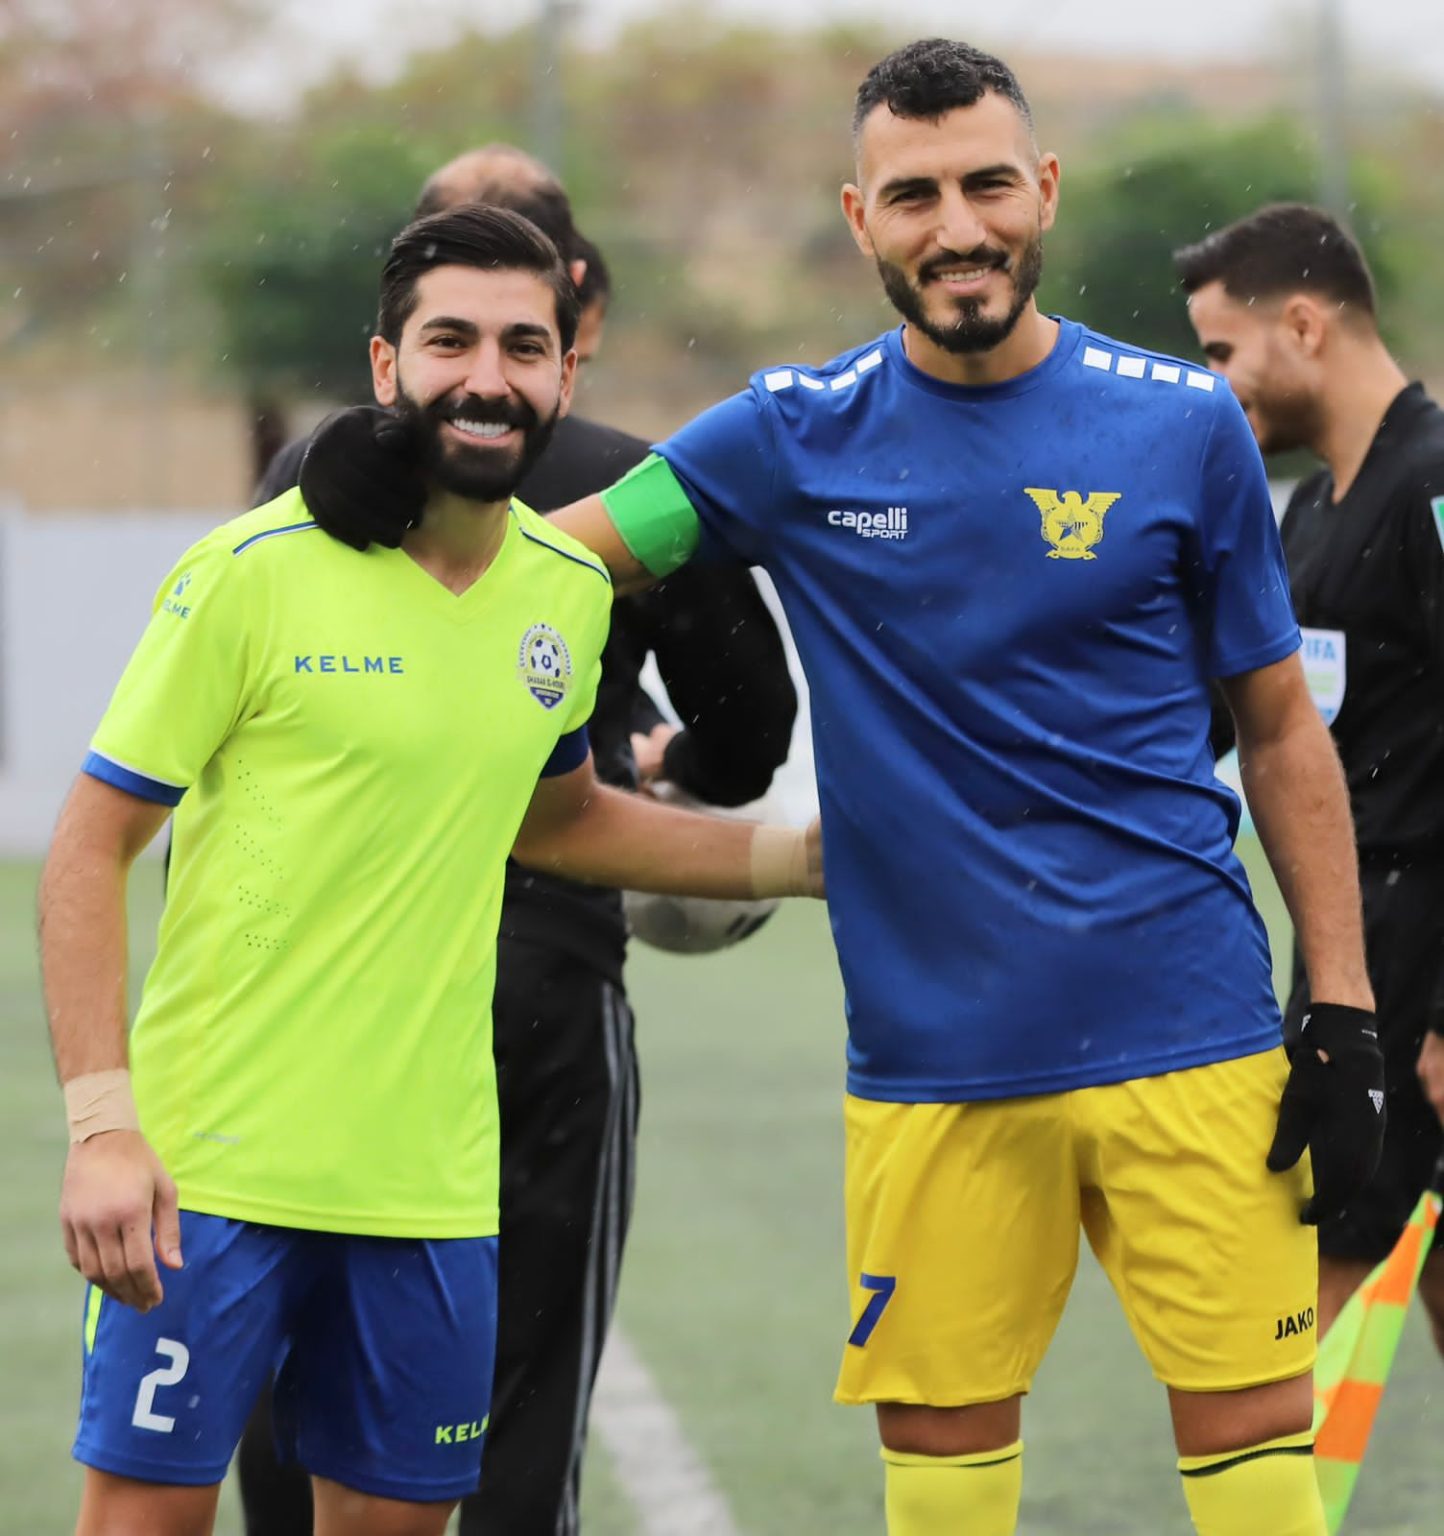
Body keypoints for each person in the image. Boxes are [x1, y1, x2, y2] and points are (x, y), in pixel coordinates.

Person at [295, 40, 1387, 1536]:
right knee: (942, 1483)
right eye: (916, 196)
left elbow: (1277, 729)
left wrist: (1344, 1003)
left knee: (1260, 1466)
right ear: (861, 217)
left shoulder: (1182, 425)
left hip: (1191, 1037)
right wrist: (381, 480)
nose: (960, 229)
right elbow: (552, 560)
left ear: (1043, 189)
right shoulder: (788, 434)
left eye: (988, 186)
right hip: (932, 1069)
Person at [41, 203, 819, 1536]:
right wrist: (107, 1127)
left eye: (523, 346)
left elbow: (559, 821)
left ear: (566, 372)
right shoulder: (250, 573)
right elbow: (89, 844)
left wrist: (798, 860)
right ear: (386, 364)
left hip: (432, 1191)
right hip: (215, 1172)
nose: (486, 377)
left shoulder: (566, 590)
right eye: (450, 340)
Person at [1176, 203, 1444, 1350]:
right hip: (1353, 955)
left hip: (1422, 961)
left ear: (1301, 325)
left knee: (1303, 1311)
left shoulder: (1432, 481)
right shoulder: (1311, 511)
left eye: (1220, 351)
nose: (1212, 383)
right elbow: (1236, 722)